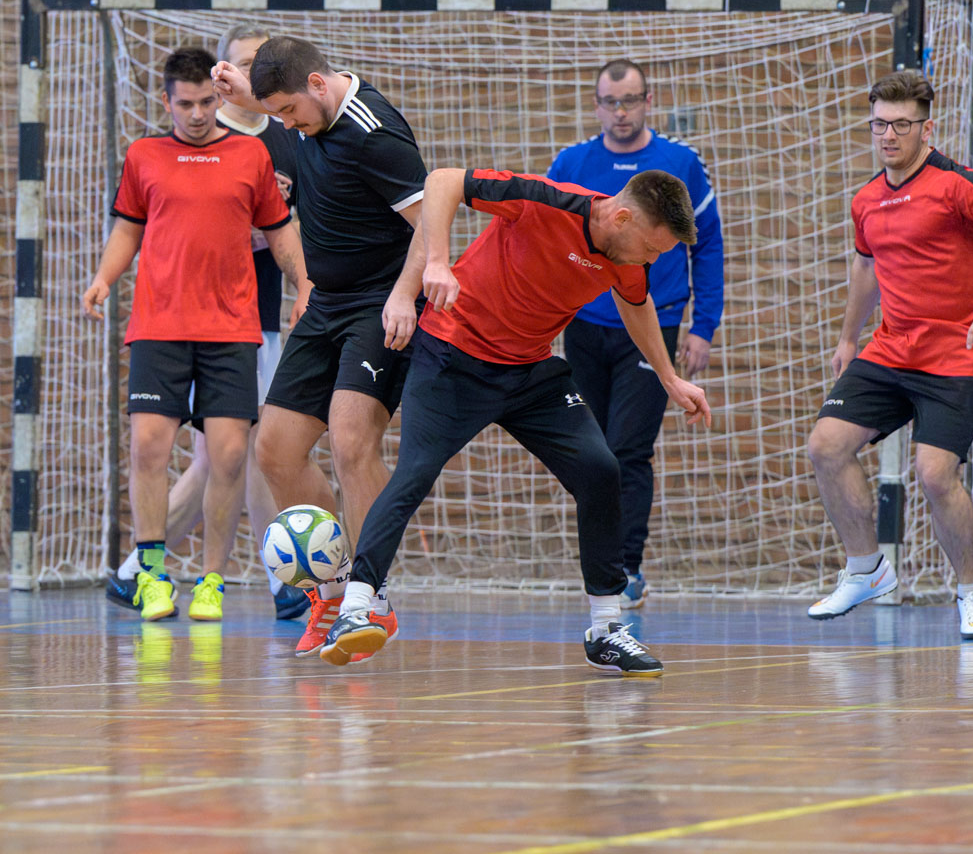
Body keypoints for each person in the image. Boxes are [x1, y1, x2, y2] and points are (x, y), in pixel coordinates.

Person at [320, 167, 710, 674]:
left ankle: (606, 630)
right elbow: (443, 182)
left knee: (601, 469)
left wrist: (669, 377)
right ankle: (356, 608)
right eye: (652, 248)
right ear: (621, 218)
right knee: (414, 474)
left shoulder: (627, 256)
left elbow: (636, 302)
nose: (652, 260)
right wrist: (436, 262)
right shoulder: (545, 200)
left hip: (530, 372)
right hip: (453, 357)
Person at [805, 70, 973, 639]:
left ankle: (972, 591)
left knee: (935, 476)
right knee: (826, 446)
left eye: (901, 125)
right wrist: (848, 338)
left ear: (926, 128)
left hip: (956, 355)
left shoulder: (957, 183)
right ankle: (866, 569)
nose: (889, 135)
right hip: (891, 349)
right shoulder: (866, 199)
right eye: (879, 124)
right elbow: (867, 266)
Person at [211, 38, 428, 658]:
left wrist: (405, 296)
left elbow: (433, 225)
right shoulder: (304, 111)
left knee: (351, 441)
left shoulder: (375, 133)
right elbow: (283, 108)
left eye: (287, 112)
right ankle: (330, 592)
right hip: (325, 302)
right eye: (274, 112)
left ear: (316, 84)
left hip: (381, 303)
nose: (284, 125)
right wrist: (251, 98)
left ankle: (371, 596)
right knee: (275, 449)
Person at [84, 46, 305, 622]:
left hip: (231, 328)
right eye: (186, 104)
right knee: (148, 449)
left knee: (229, 457)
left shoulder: (250, 156)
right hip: (159, 326)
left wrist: (305, 285)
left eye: (207, 102)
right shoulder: (144, 155)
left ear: (218, 96)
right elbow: (127, 229)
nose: (199, 114)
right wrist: (104, 278)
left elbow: (280, 231)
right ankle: (151, 576)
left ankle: (211, 582)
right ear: (168, 102)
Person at [547, 59, 724, 607]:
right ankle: (598, 566)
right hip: (585, 327)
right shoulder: (572, 162)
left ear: (649, 101)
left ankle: (627, 568)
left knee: (628, 448)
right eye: (610, 102)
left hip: (653, 325)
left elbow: (708, 245)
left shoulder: (680, 162)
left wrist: (703, 326)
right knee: (590, 450)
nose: (620, 112)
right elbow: (550, 242)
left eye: (629, 101)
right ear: (596, 105)